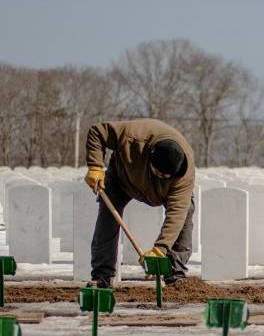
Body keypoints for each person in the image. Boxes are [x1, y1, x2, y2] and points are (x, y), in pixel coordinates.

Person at [83, 119, 196, 288]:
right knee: (108, 215)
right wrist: (95, 166)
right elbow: (97, 132)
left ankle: (175, 274)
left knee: (185, 213)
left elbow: (176, 214)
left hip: (162, 193)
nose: (164, 178)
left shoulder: (183, 176)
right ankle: (102, 275)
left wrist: (161, 248)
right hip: (123, 178)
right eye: (161, 174)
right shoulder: (132, 136)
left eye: (168, 176)